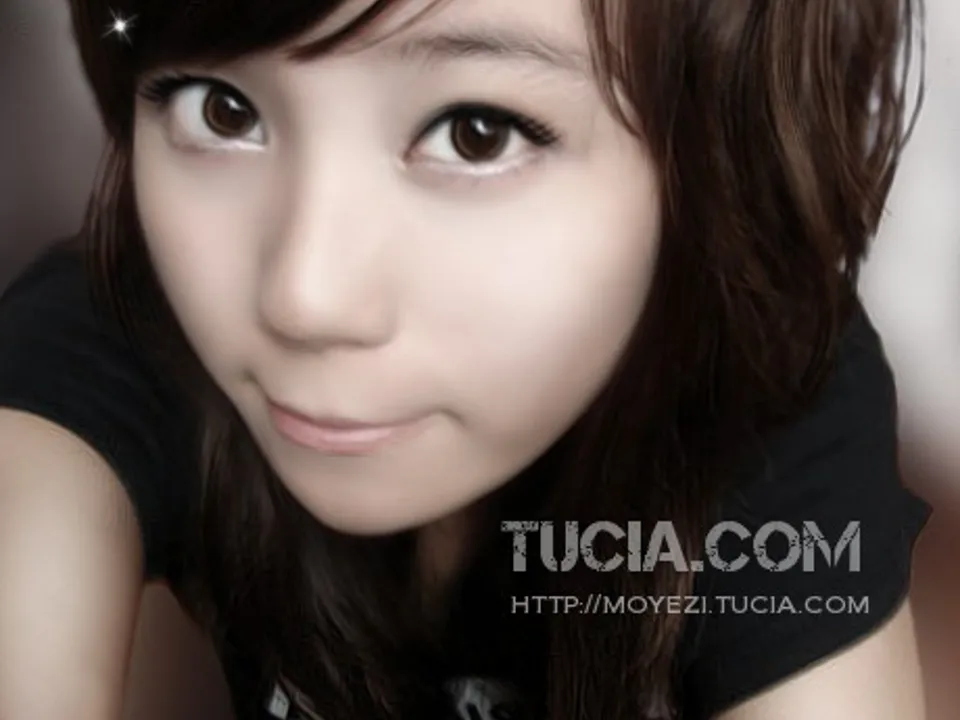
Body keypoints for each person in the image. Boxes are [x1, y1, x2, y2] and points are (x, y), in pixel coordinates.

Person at [0, 0, 932, 718]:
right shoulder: (111, 336)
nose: (306, 298)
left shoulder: (764, 387)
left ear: (713, 160)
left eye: (477, 131)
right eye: (223, 110)